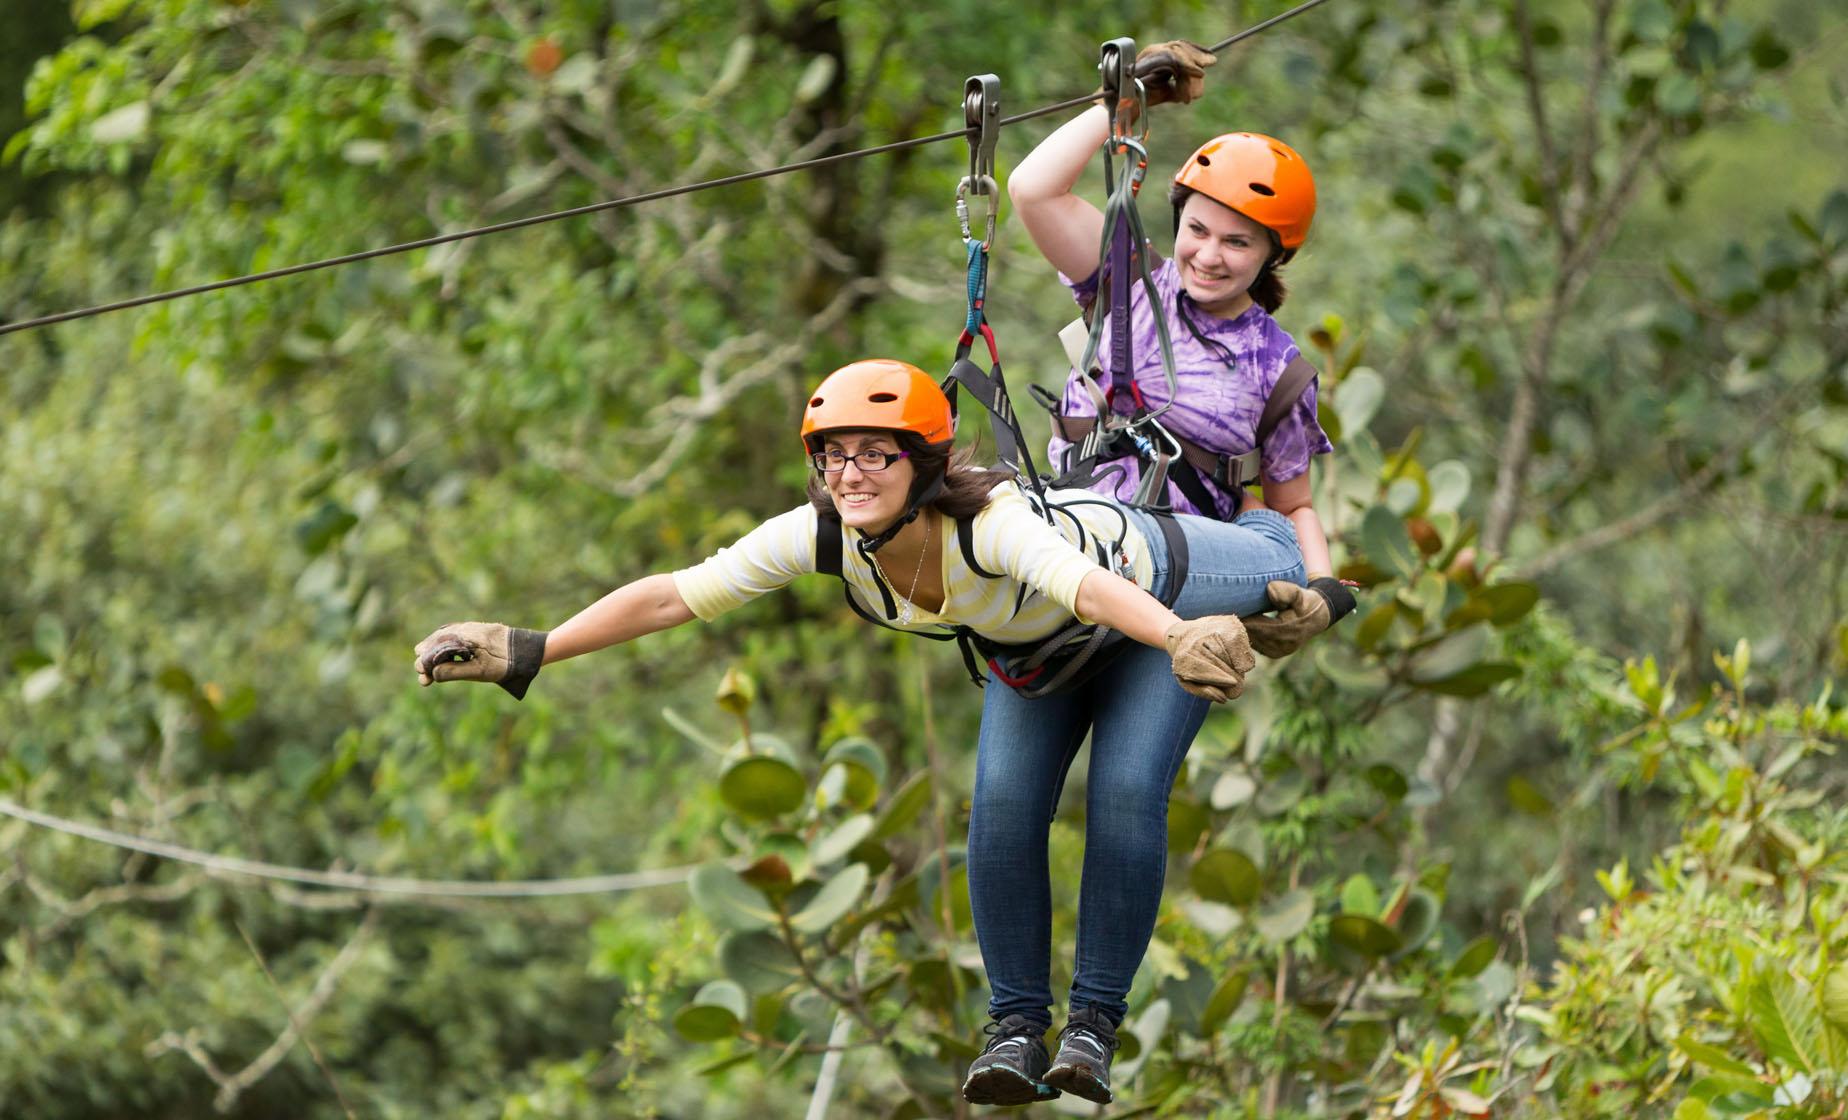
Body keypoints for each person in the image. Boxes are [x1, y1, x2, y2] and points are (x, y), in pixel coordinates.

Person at [412, 359, 1311, 1106]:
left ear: (921, 464)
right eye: (834, 458)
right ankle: (1014, 1033)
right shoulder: (824, 536)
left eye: (876, 456)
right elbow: (674, 593)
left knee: (1142, 765)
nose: (851, 476)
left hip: (1159, 587)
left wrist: (1181, 632)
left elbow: (1077, 585)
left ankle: (1093, 1027)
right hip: (1046, 659)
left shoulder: (991, 525)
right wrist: (533, 647)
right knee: (998, 813)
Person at [1009, 42, 1355, 645]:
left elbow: (1290, 506)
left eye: (1238, 242)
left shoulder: (1279, 368)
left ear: (1274, 254)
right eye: (1197, 229)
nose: (1210, 255)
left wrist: (1324, 589)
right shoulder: (1128, 280)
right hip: (1069, 556)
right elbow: (1032, 189)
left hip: (1180, 589)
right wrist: (1121, 103)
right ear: (1178, 223)